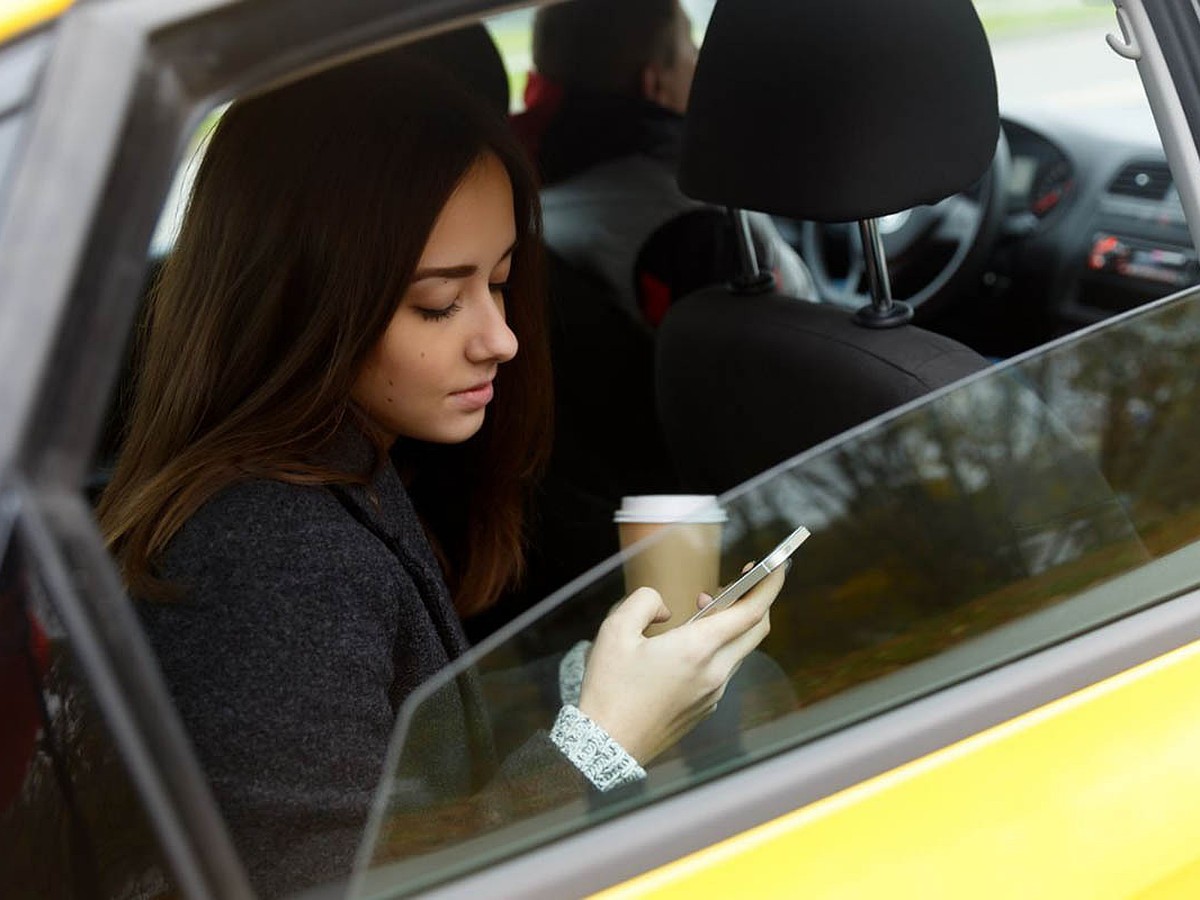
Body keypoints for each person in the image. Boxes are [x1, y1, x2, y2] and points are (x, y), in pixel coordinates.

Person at [96, 56, 783, 897]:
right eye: (437, 303)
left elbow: (401, 775)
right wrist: (604, 739)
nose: (502, 339)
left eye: (498, 284)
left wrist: (579, 689)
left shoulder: (340, 480)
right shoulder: (272, 552)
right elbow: (334, 882)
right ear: (303, 299)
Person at [522, 0, 815, 327]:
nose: (701, 62)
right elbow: (775, 358)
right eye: (691, 48)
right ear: (654, 84)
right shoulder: (698, 230)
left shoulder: (526, 196)